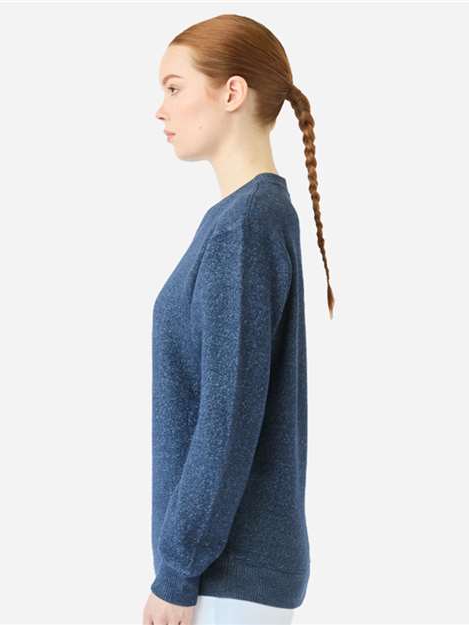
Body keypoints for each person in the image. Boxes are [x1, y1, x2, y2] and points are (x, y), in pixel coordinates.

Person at [142, 13, 335, 625]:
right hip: (229, 575)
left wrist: (177, 573)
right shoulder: (247, 217)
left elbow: (226, 422)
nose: (160, 109)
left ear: (231, 92)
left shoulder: (245, 226)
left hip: (227, 578)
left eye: (175, 87)